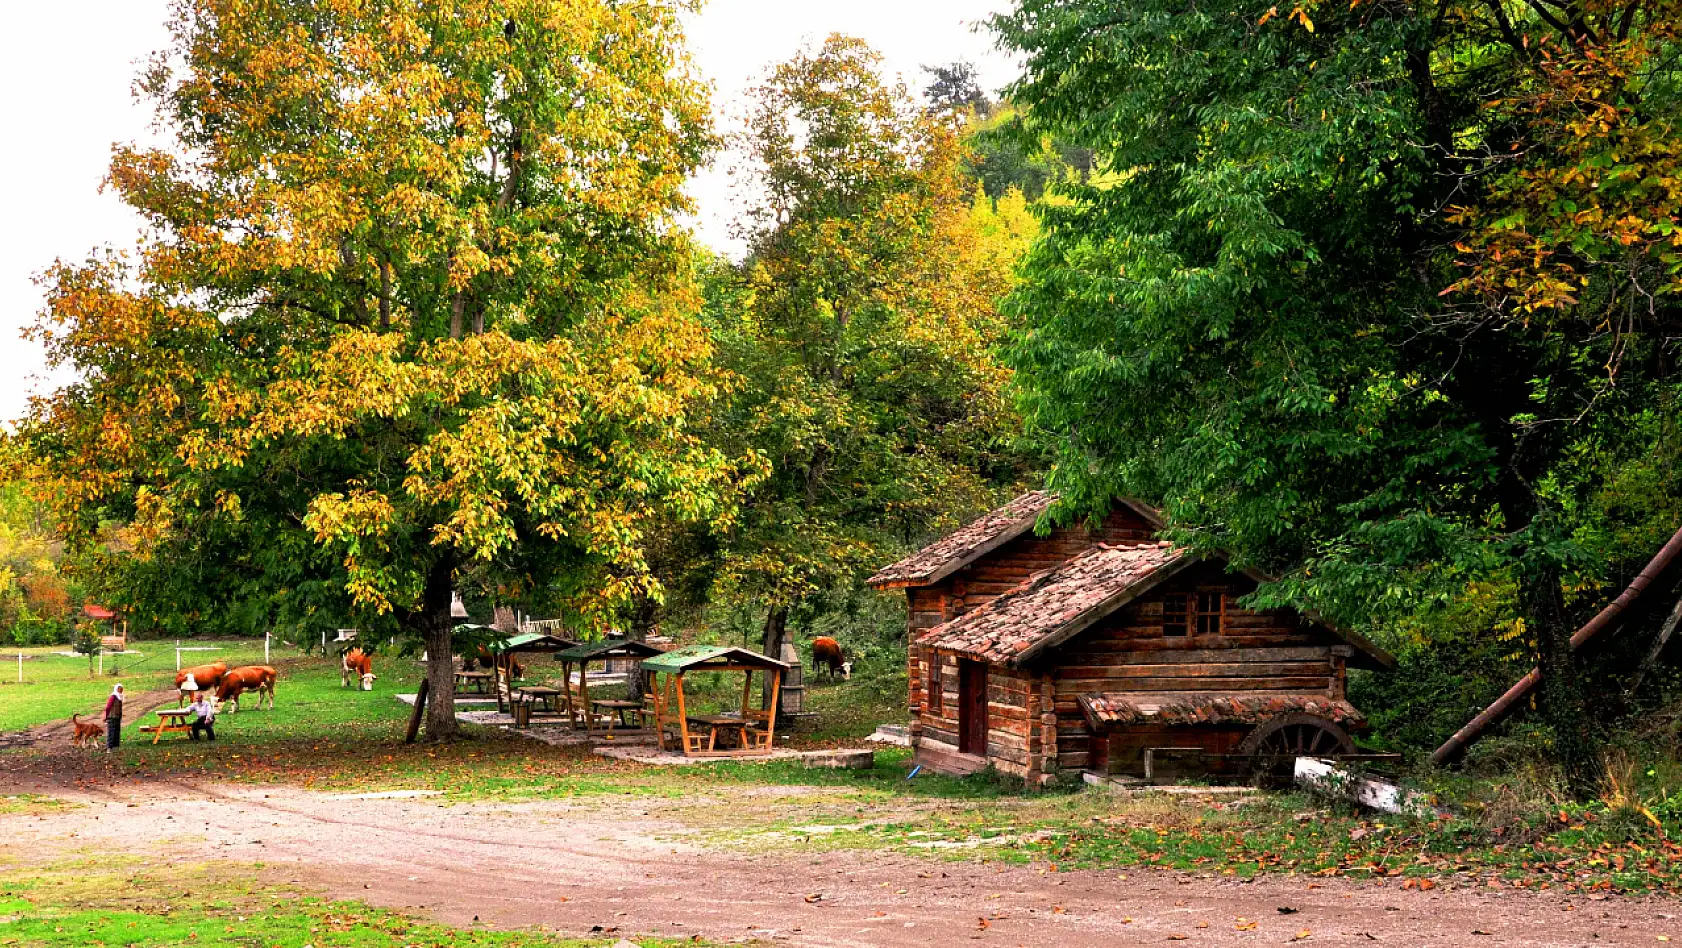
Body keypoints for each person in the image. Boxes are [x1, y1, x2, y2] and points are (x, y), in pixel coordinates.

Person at [103, 683, 124, 751]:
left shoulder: (120, 697)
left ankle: (115, 746)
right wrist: (105, 716)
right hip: (112, 717)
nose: (121, 690)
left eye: (122, 689)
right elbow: (108, 707)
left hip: (117, 717)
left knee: (117, 731)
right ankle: (109, 747)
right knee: (111, 732)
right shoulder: (113, 696)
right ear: (116, 689)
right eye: (120, 689)